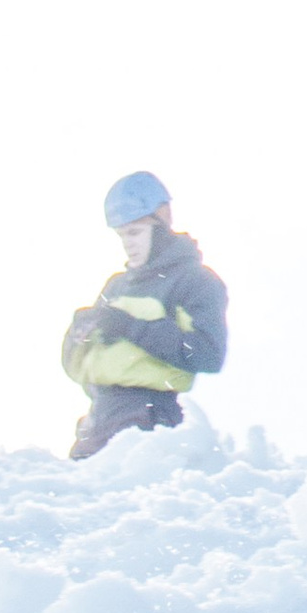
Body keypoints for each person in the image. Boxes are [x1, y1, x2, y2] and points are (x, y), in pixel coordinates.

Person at [61, 171, 229, 461]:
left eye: (135, 232)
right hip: (99, 419)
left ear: (163, 219)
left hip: (149, 419)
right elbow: (82, 366)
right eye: (122, 235)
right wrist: (79, 336)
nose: (128, 244)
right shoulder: (117, 286)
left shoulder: (194, 282)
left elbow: (207, 354)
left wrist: (130, 326)